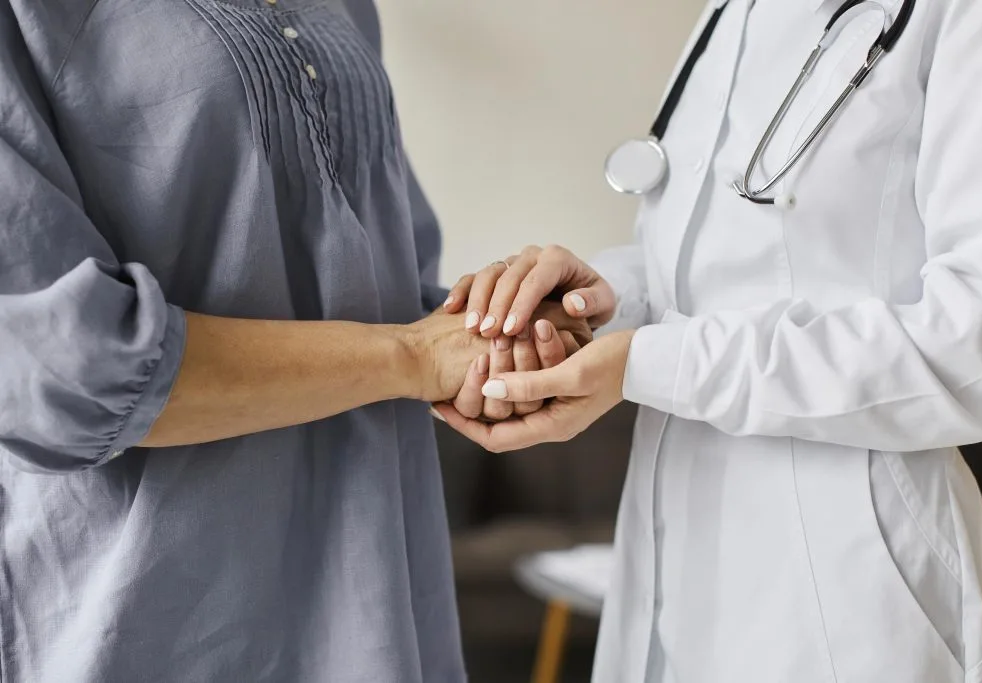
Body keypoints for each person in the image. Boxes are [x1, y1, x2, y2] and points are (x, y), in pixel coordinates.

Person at [435, 0, 982, 680]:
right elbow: (704, 273)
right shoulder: (732, 10)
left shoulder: (976, 13)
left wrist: (655, 362)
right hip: (669, 568)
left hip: (847, 592)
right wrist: (590, 307)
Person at [0, 1, 584, 681]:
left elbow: (388, 286)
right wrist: (414, 356)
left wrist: (506, 324)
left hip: (378, 608)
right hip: (158, 619)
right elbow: (58, 367)